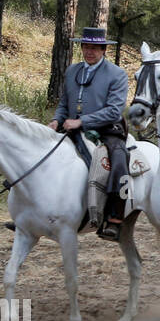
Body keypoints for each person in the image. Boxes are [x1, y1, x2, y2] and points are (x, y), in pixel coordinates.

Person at [51, 26, 129, 241]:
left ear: (104, 49)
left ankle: (114, 218)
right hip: (70, 126)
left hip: (107, 130)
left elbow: (114, 110)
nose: (89, 51)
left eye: (94, 47)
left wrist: (82, 121)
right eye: (86, 46)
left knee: (120, 160)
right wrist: (56, 120)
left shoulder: (117, 74)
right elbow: (64, 103)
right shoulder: (72, 71)